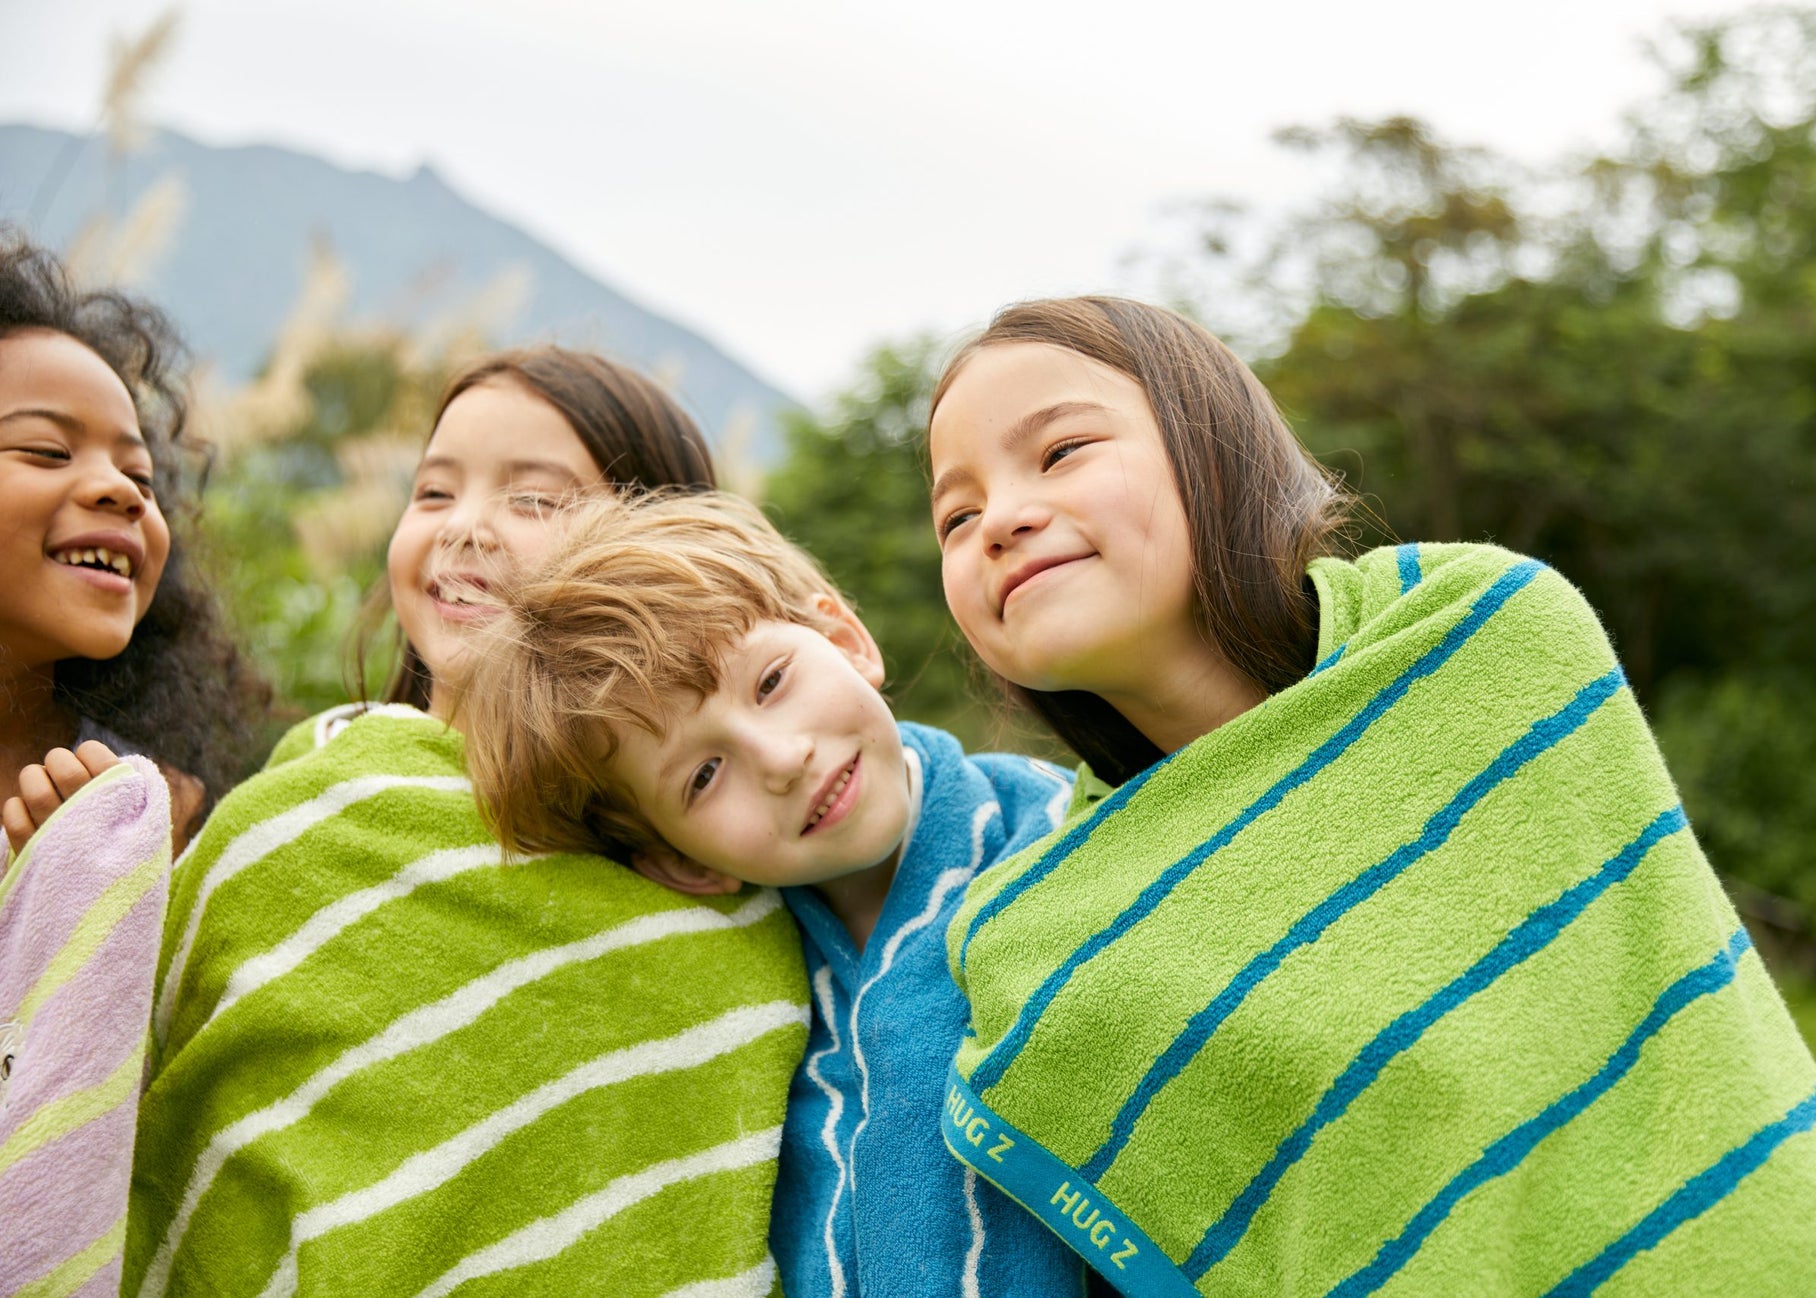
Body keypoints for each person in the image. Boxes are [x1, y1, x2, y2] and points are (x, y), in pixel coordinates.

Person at [924, 296, 1816, 1297]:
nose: (999, 521)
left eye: (1057, 453)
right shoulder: (1046, 941)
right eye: (955, 515)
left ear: (1210, 445)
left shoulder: (1481, 630)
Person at [124, 349, 810, 1298]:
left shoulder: (721, 851)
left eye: (535, 500)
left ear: (664, 550)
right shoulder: (303, 819)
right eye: (433, 492)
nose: (466, 530)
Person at [459, 489, 1087, 1297]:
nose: (782, 757)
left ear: (845, 638)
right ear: (681, 864)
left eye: (771, 683)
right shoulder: (747, 1024)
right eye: (704, 775)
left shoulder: (1069, 835)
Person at [0, 228, 262, 859]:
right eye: (47, 450)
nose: (123, 492)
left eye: (139, 475)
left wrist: (115, 895)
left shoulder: (158, 812)